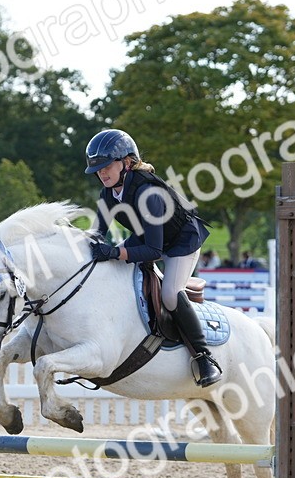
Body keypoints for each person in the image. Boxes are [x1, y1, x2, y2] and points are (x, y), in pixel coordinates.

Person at [83, 128, 222, 387]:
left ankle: (205, 358)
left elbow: (154, 252)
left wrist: (116, 252)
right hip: (148, 236)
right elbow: (96, 234)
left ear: (126, 163)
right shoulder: (108, 193)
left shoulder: (149, 193)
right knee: (109, 266)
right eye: (98, 169)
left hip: (181, 242)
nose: (102, 173)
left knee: (170, 293)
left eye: (106, 166)